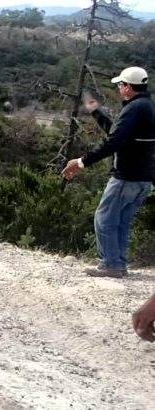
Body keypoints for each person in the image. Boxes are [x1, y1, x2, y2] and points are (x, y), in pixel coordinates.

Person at [61, 66, 155, 278]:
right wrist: (96, 112)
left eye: (121, 84)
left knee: (104, 218)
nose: (120, 88)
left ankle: (110, 264)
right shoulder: (147, 106)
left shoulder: (133, 108)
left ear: (128, 87)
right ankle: (118, 264)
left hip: (126, 177)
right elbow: (122, 135)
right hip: (143, 178)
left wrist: (82, 162)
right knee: (120, 221)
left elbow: (113, 142)